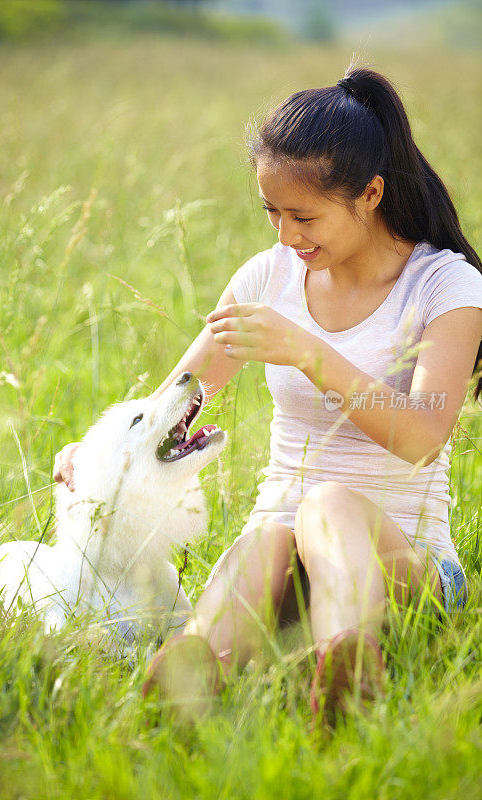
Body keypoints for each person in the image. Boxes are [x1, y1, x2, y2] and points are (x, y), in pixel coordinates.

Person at [54, 66, 482, 720]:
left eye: (303, 216)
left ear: (369, 194)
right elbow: (175, 397)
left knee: (328, 505)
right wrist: (94, 453)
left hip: (408, 566)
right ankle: (186, 689)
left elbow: (422, 438)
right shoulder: (267, 276)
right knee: (269, 537)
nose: (285, 236)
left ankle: (346, 657)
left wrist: (307, 352)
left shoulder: (443, 286)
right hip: (278, 558)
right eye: (272, 213)